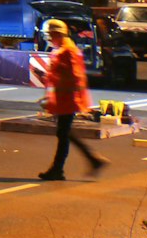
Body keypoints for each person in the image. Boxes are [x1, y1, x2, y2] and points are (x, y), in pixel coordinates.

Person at [38, 18, 106, 180]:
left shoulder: (68, 51)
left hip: (68, 100)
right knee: (64, 133)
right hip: (63, 99)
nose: (48, 38)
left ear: (57, 34)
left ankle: (61, 168)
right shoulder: (62, 49)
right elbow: (59, 75)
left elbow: (76, 77)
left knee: (64, 133)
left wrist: (76, 100)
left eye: (50, 35)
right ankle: (89, 161)